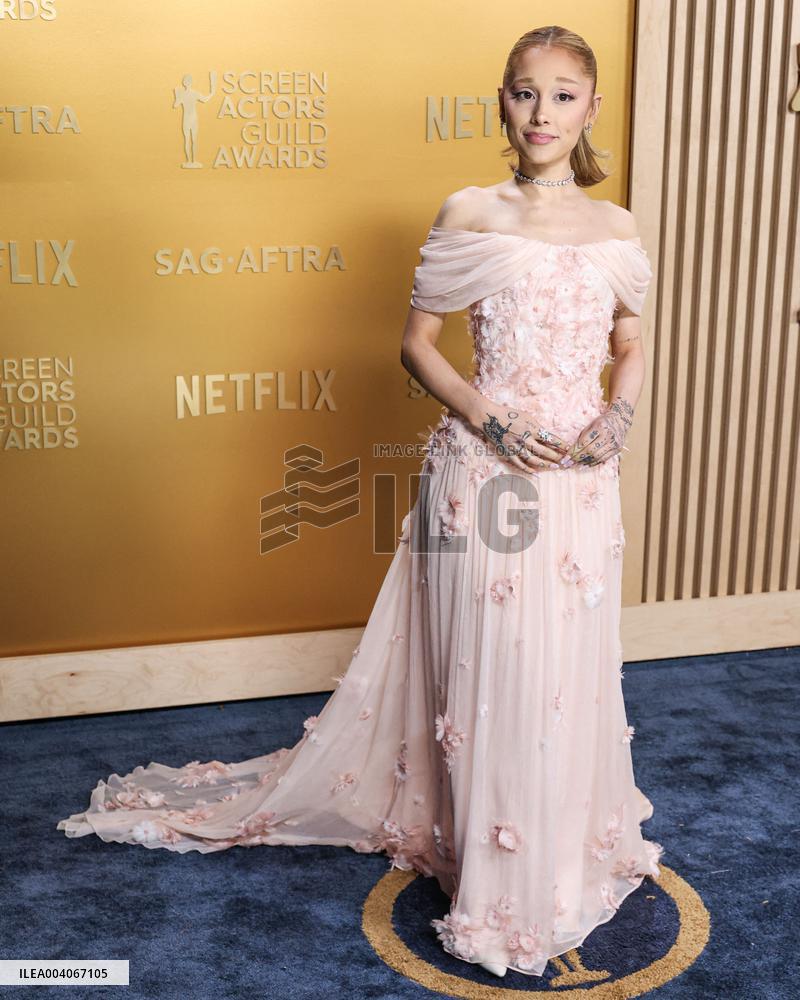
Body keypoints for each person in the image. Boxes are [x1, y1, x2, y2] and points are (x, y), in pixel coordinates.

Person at [57, 25, 663, 980]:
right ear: (501, 103)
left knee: (567, 666)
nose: (540, 113)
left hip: (585, 479)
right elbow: (416, 345)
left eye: (560, 95)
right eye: (522, 93)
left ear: (591, 108)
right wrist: (492, 421)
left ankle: (560, 842)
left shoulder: (618, 227)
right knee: (497, 667)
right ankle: (498, 876)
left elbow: (631, 338)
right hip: (487, 468)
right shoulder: (470, 210)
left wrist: (619, 417)